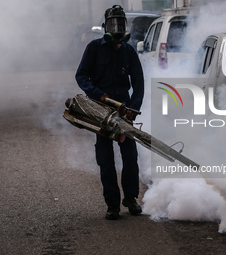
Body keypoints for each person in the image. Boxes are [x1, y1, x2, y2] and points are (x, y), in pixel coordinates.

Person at [75, 5, 144, 220]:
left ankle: (131, 198)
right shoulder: (94, 48)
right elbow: (81, 76)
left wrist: (133, 107)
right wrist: (98, 94)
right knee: (105, 161)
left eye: (120, 24)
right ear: (105, 27)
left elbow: (139, 82)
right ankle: (112, 204)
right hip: (101, 112)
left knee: (130, 158)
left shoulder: (128, 51)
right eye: (113, 24)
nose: (116, 29)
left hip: (124, 111)